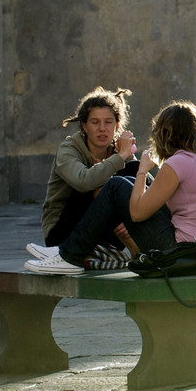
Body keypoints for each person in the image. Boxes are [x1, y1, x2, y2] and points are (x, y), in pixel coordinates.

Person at [27, 101, 196, 273]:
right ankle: (66, 250)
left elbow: (137, 213)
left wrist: (143, 171)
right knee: (125, 184)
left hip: (181, 253)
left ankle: (69, 256)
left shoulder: (179, 162)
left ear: (165, 134)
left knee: (116, 185)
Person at [31, 87, 139, 266]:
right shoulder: (69, 149)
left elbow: (139, 187)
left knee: (134, 172)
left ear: (117, 126)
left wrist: (128, 157)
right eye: (95, 122)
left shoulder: (119, 149)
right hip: (63, 233)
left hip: (106, 234)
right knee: (100, 188)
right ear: (84, 125)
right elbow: (83, 182)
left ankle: (136, 251)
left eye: (108, 122)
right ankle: (77, 254)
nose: (102, 129)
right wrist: (120, 157)